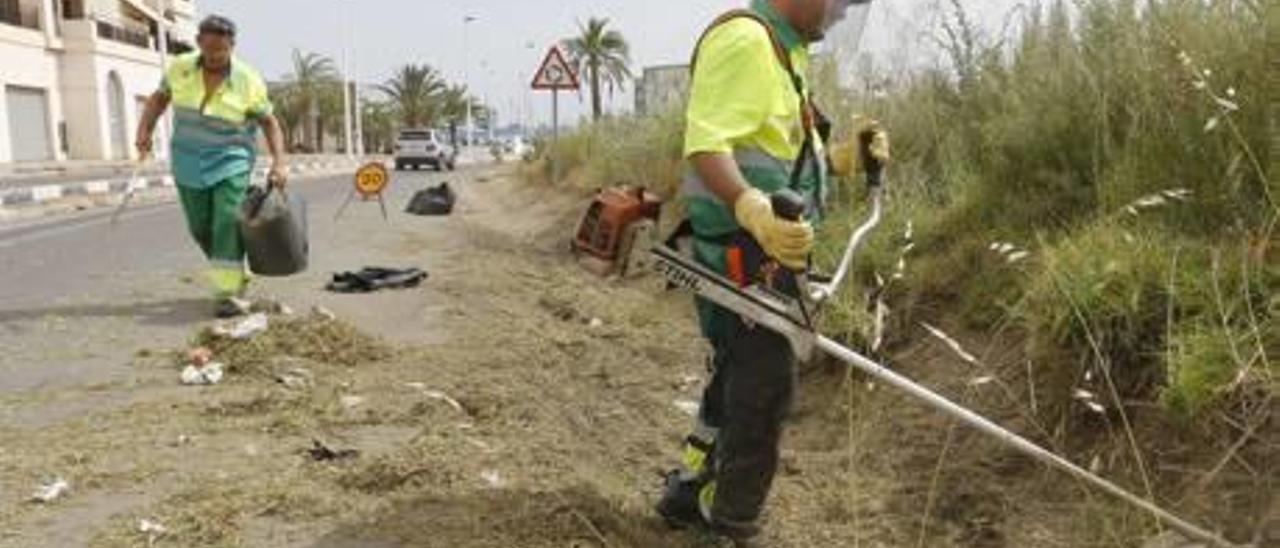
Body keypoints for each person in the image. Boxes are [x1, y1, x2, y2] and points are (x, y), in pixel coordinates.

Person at [656, 0, 890, 544]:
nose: (838, 18)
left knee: (737, 375)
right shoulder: (746, 41)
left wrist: (842, 160)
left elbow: (775, 156)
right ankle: (729, 525)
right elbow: (707, 144)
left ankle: (690, 492)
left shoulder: (785, 51)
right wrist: (751, 208)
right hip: (741, 252)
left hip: (765, 248)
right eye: (837, 3)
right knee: (763, 391)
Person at [135, 15, 288, 318]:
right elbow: (157, 100)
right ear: (199, 44)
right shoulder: (180, 68)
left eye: (223, 51)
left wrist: (279, 163)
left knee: (226, 223)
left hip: (231, 160)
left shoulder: (248, 78)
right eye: (211, 50)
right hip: (187, 160)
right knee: (200, 228)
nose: (216, 57)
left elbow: (269, 122)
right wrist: (144, 132)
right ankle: (234, 270)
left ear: (232, 46)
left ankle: (226, 294)